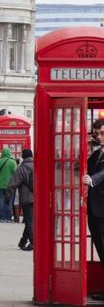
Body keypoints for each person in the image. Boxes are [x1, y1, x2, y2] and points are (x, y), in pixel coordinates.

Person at [82, 119, 104, 301]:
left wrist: (93, 180)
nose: (100, 137)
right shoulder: (97, 153)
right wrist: (86, 148)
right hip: (94, 209)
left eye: (103, 133)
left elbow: (101, 173)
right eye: (97, 134)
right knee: (101, 249)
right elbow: (81, 165)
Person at [7, 148, 34, 250]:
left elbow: (12, 183)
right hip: (39, 198)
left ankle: (33, 242)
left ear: (23, 156)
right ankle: (23, 241)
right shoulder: (39, 165)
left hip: (27, 198)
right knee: (30, 220)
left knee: (29, 221)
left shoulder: (22, 168)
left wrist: (7, 197)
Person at [0, 146, 17, 222]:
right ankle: (8, 217)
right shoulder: (13, 162)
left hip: (0, 184)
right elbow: (16, 173)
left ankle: (1, 217)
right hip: (10, 185)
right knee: (9, 201)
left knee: (1, 201)